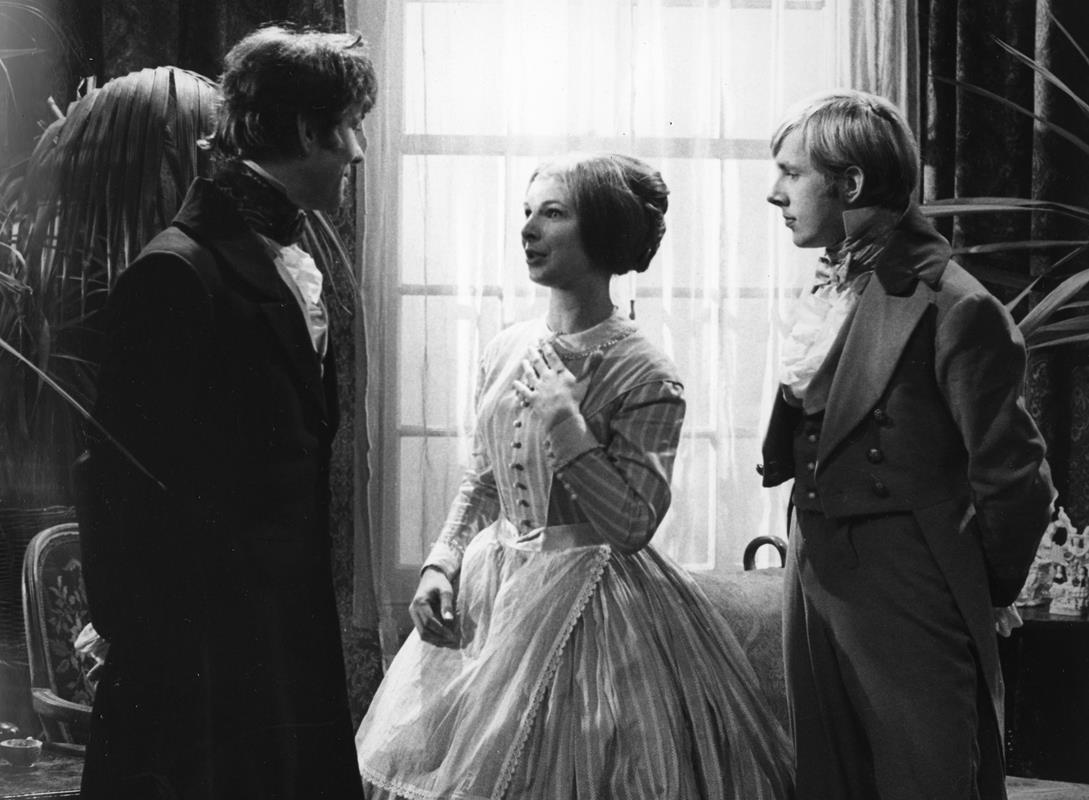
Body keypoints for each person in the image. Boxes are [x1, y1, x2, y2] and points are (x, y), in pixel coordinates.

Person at [356, 153, 793, 798]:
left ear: (603, 230)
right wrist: (441, 561)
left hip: (596, 608)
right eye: (527, 212)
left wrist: (566, 424)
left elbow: (632, 526)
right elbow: (483, 479)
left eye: (553, 213)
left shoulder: (646, 371)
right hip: (492, 595)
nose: (529, 229)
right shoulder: (505, 347)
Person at [77, 25, 377, 800]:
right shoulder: (179, 271)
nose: (357, 152)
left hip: (277, 642)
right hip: (200, 665)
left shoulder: (284, 257)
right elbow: (117, 480)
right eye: (350, 127)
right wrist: (141, 642)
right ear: (306, 131)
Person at [760, 89, 1055, 800]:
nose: (775, 193)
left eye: (791, 173)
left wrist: (975, 586)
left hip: (907, 578)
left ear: (851, 183)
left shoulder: (957, 305)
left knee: (923, 778)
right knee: (830, 780)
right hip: (814, 565)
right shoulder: (833, 283)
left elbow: (1016, 479)